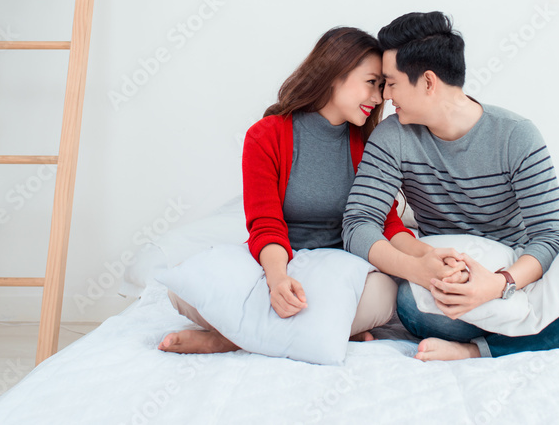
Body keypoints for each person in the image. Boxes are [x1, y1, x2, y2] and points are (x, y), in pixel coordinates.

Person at [342, 12, 559, 361]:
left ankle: (476, 350)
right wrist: (419, 270)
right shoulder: (392, 136)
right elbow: (358, 224)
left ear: (428, 82)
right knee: (410, 305)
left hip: (522, 277)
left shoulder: (516, 135)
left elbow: (550, 236)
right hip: (451, 283)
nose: (385, 94)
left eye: (392, 83)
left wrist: (499, 283)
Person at [158, 27, 458, 354]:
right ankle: (325, 329)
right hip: (275, 260)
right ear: (334, 73)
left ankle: (229, 339)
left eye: (383, 87)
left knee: (388, 294)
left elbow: (385, 224)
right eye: (372, 83)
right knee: (184, 290)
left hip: (342, 267)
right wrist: (277, 281)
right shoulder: (266, 136)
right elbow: (265, 223)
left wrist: (425, 255)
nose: (378, 98)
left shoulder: (368, 144)